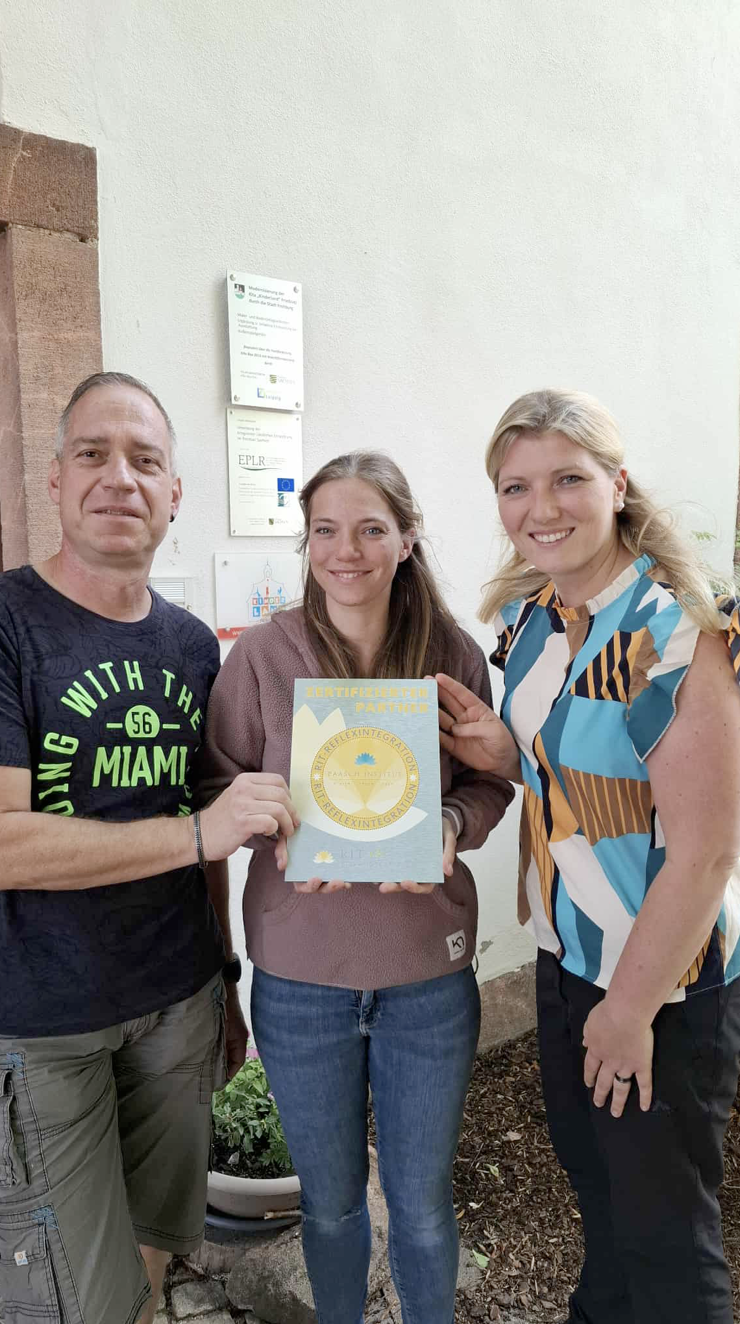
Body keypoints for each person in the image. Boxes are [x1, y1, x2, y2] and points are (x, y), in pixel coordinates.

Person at [0, 372, 301, 1324]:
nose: (119, 478)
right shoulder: (8, 623)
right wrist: (202, 831)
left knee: (156, 1249)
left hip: (177, 1004)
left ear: (175, 493)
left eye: (145, 460)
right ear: (55, 479)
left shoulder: (192, 646)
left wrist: (226, 980)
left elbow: (206, 828)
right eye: (93, 454)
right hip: (42, 1024)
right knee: (72, 1300)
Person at [437, 387, 740, 1324]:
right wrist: (506, 754)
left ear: (616, 483)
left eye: (568, 479)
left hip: (661, 981)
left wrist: (630, 1010)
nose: (542, 507)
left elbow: (705, 852)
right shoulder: (530, 621)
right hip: (567, 960)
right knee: (602, 1204)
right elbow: (578, 777)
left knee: (669, 1243)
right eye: (515, 486)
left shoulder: (677, 634)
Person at [198, 451, 513, 1324]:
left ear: (406, 540)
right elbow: (215, 789)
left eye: (371, 529)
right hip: (301, 981)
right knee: (331, 1207)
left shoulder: (451, 656)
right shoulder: (263, 657)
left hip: (427, 979)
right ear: (306, 543)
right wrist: (266, 819)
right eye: (326, 530)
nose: (347, 551)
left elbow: (488, 782)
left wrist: (451, 826)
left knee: (422, 1207)